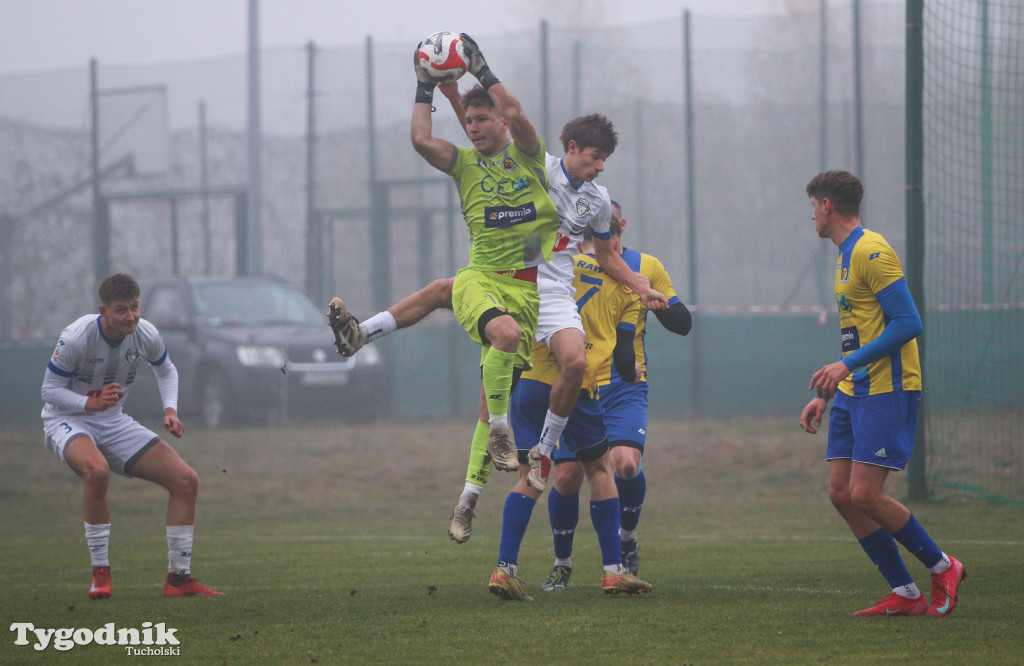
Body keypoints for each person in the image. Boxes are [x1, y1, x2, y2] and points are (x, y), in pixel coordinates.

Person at [329, 98, 667, 542]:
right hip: (493, 281)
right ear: (572, 148)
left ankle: (510, 472)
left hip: (539, 295)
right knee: (461, 315)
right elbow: (475, 129)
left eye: (482, 120)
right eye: (596, 157)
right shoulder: (529, 165)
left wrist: (641, 287)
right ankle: (363, 335)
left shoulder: (586, 194)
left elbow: (606, 255)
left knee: (547, 376)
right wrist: (443, 85)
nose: (600, 167)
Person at [799, 170, 965, 617]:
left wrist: (847, 364)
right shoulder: (845, 255)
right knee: (841, 493)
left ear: (827, 206)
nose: (811, 216)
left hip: (887, 387)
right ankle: (906, 593)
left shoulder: (871, 250)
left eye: (813, 206)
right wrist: (827, 390)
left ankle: (943, 566)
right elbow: (858, 334)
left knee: (866, 494)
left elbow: (909, 322)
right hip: (854, 390)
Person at [488, 219, 653, 600]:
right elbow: (624, 356)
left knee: (530, 475)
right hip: (574, 387)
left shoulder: (545, 272)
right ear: (613, 244)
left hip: (529, 383)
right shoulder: (626, 285)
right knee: (599, 469)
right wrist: (631, 371)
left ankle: (505, 569)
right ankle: (613, 571)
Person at [40, 273, 223, 599]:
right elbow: (49, 390)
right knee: (97, 471)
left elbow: (166, 369)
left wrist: (170, 410)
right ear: (104, 311)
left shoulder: (145, 333)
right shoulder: (77, 337)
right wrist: (91, 403)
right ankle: (101, 575)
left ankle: (179, 579)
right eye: (122, 310)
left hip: (113, 421)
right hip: (68, 419)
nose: (131, 316)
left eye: (135, 307)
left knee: (186, 481)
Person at [542, 201, 692, 591]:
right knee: (567, 475)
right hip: (575, 383)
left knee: (625, 464)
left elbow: (683, 324)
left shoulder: (646, 267)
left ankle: (627, 539)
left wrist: (656, 303)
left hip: (624, 385)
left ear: (621, 226)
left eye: (610, 229)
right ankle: (562, 564)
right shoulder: (566, 263)